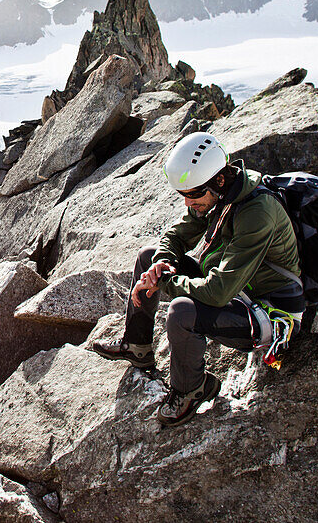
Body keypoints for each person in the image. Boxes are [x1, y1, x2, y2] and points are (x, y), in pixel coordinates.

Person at [92, 131, 305, 427]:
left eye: (192, 194)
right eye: (183, 195)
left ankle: (193, 389)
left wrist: (162, 283)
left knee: (181, 312)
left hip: (267, 312)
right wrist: (162, 264)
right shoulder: (221, 194)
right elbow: (176, 235)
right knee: (147, 256)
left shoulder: (257, 213)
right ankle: (137, 346)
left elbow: (217, 292)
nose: (188, 203)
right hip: (238, 290)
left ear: (219, 180)